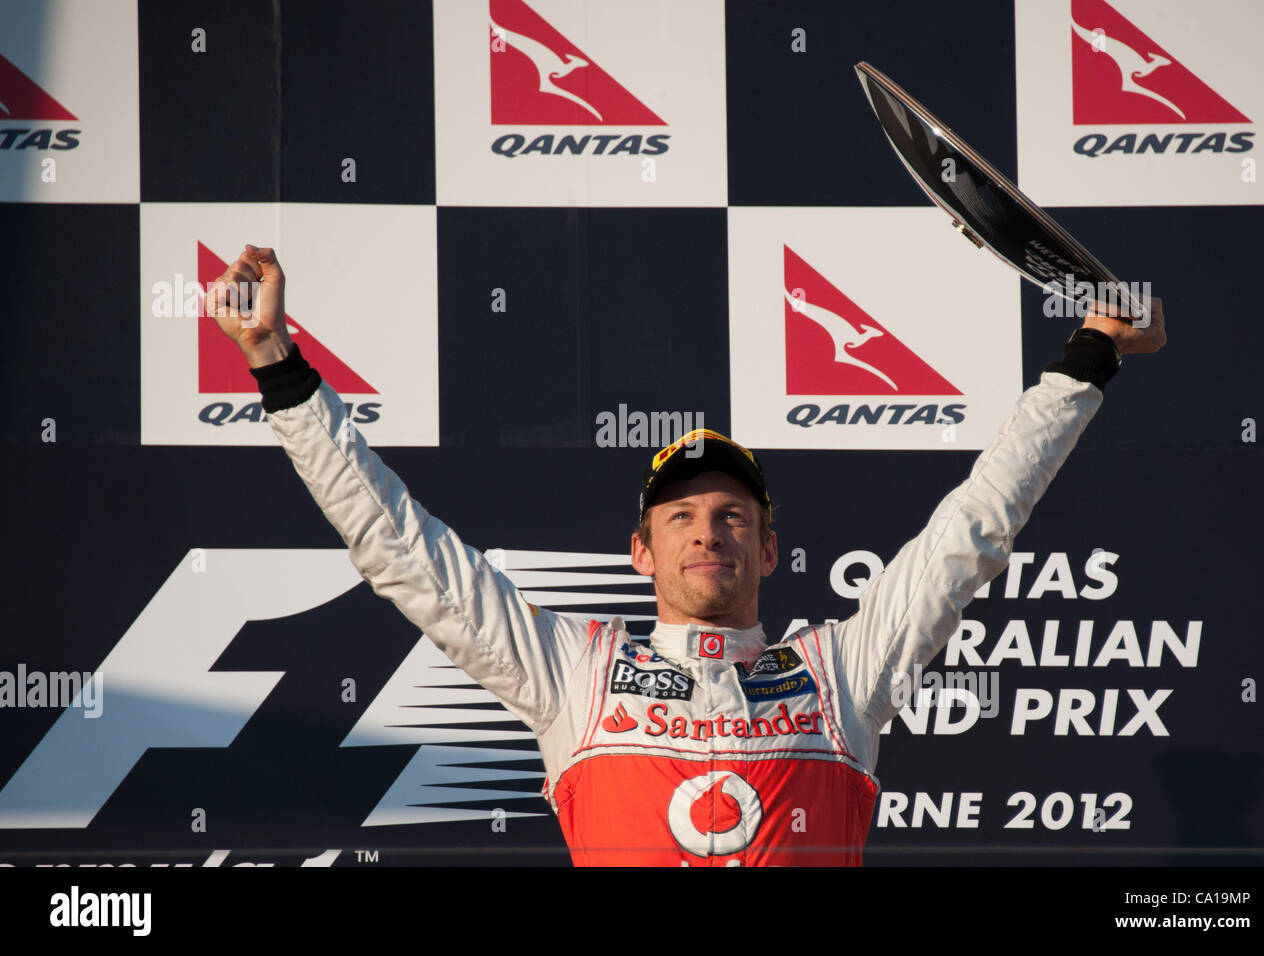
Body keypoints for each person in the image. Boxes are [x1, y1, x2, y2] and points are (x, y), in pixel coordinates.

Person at [206, 244, 1166, 866]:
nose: (710, 529)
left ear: (773, 549)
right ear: (641, 553)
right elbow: (402, 550)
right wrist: (276, 363)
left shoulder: (841, 669)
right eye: (681, 518)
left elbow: (975, 528)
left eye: (735, 515)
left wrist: (1090, 354)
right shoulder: (574, 670)